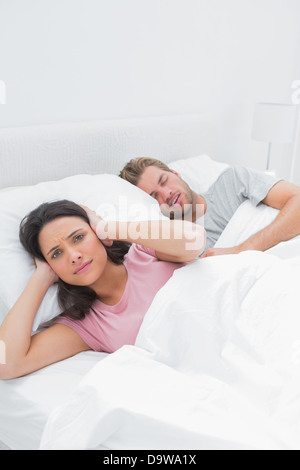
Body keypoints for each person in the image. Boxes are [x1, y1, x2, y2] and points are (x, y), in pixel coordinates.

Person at [0, 200, 205, 380]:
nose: (73, 256)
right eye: (56, 254)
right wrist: (41, 278)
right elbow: (6, 364)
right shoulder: (88, 325)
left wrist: (107, 229)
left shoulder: (144, 251)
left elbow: (195, 240)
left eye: (78, 237)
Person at [120, 157, 300, 258]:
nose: (166, 193)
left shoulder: (232, 181)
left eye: (164, 181)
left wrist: (242, 250)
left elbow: (297, 199)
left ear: (176, 173)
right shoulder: (175, 247)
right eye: (154, 197)